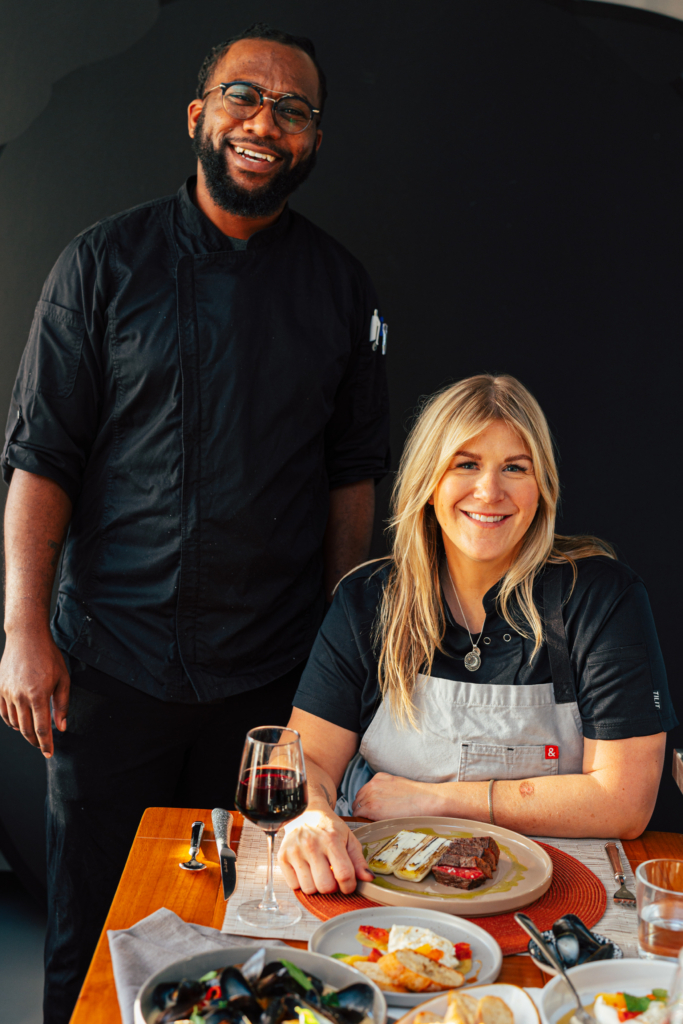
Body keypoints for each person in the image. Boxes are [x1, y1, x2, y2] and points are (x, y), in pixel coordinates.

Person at [0, 22, 389, 1024]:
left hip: (266, 684)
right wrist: (22, 631)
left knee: (258, 930)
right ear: (198, 116)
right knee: (92, 932)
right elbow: (42, 460)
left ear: (312, 140)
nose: (265, 122)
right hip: (111, 668)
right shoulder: (100, 266)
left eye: (292, 110)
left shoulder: (339, 289)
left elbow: (353, 477)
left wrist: (338, 653)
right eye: (242, 97)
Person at [278, 373, 675, 897]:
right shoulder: (368, 599)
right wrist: (310, 813)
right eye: (466, 464)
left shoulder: (603, 597)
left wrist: (436, 798)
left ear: (542, 488)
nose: (490, 492)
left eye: (515, 467)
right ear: (429, 482)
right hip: (382, 881)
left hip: (564, 889)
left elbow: (624, 802)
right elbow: (305, 760)